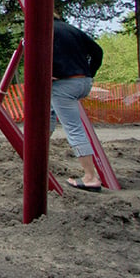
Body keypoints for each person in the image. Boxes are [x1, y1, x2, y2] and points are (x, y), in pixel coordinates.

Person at [51, 14, 104, 192]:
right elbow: (98, 52)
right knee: (49, 114)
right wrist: (89, 72)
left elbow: (36, 56)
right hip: (83, 81)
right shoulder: (71, 29)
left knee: (74, 129)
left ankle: (90, 177)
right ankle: (33, 155)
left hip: (64, 84)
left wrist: (54, 71)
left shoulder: (43, 30)